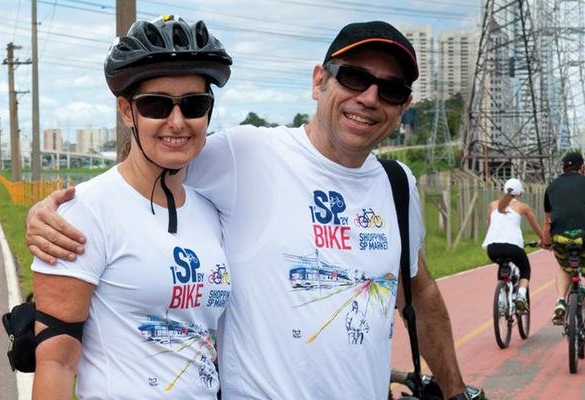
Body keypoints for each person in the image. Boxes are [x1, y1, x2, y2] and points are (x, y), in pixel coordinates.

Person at [25, 20, 478, 400]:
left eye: (391, 89)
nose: (370, 97)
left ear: (404, 106)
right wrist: (55, 209)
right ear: (319, 80)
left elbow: (419, 293)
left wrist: (456, 392)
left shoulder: (399, 186)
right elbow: (145, 167)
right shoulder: (245, 153)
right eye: (354, 78)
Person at [29, 16, 233, 399]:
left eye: (194, 105)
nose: (177, 121)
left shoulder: (212, 210)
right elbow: (57, 363)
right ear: (127, 112)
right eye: (156, 105)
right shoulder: (86, 212)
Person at [541, 151, 585, 337]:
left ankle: (561, 300)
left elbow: (547, 221)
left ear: (563, 168)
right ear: (582, 168)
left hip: (560, 237)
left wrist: (546, 241)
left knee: (564, 267)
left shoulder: (552, 186)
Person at [482, 178, 544, 311]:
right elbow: (536, 228)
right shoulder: (522, 207)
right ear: (519, 193)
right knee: (525, 270)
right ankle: (521, 295)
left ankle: (502, 300)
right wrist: (545, 241)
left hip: (492, 248)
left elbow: (489, 227)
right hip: (513, 248)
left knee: (502, 264)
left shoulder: (492, 205)